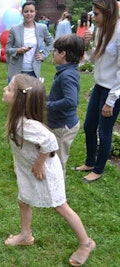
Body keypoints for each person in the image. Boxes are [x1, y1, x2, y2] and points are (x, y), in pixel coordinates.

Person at [2, 73, 96, 267]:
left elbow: (50, 141)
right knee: (23, 200)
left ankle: (86, 243)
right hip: (28, 170)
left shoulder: (26, 125)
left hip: (44, 172)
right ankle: (26, 235)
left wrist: (38, 164)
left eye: (9, 88)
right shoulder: (18, 118)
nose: (5, 89)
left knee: (60, 206)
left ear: (20, 100)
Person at [73, 0, 120, 182]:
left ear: (107, 13)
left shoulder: (118, 32)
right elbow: (94, 60)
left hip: (113, 91)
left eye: (96, 14)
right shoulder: (100, 29)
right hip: (99, 85)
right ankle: (90, 162)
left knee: (104, 131)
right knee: (89, 126)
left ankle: (98, 170)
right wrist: (88, 45)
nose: (93, 17)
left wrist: (111, 100)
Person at [47, 34, 85, 175]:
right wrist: (40, 98)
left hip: (63, 127)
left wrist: (47, 105)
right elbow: (58, 95)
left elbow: (71, 101)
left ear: (62, 54)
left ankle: (58, 195)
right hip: (57, 124)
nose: (53, 53)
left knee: (57, 162)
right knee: (51, 157)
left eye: (55, 51)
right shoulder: (65, 71)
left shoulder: (67, 75)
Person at [5, 1, 54, 81]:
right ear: (22, 13)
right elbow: (7, 49)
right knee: (15, 93)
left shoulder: (42, 28)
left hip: (33, 72)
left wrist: (43, 55)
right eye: (26, 11)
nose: (29, 14)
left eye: (31, 11)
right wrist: (18, 50)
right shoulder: (15, 29)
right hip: (16, 71)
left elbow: (52, 42)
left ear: (35, 13)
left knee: (31, 93)